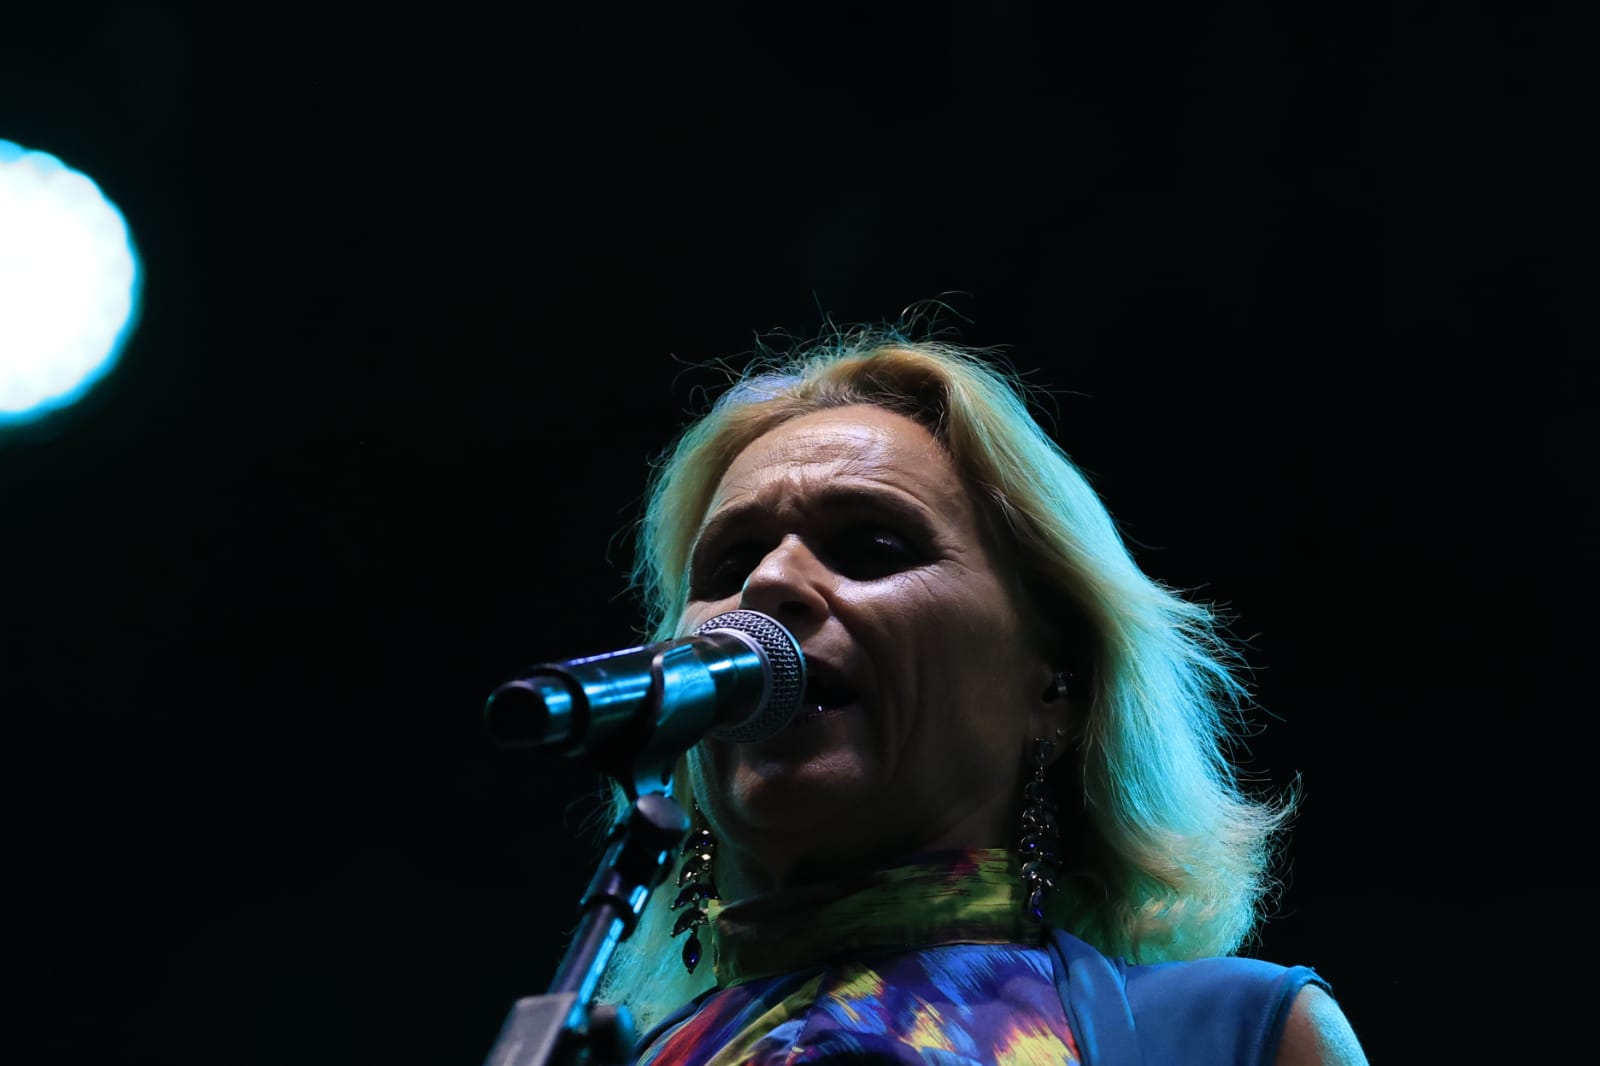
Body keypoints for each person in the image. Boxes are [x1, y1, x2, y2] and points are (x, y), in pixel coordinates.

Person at [595, 328, 1367, 1065]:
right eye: (730, 564)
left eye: (872, 548)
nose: (767, 585)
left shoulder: (1230, 1037)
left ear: (1056, 686)